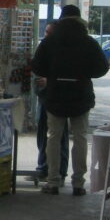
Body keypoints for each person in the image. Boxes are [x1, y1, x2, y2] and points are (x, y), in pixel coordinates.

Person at [30, 4, 109, 195]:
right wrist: (83, 74)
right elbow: (102, 68)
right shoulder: (88, 41)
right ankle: (79, 183)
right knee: (80, 137)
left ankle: (53, 181)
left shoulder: (50, 41)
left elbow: (37, 66)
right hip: (80, 94)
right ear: (79, 19)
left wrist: (53, 74)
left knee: (54, 137)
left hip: (55, 94)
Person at [28, 22, 69, 184]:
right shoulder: (45, 48)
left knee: (57, 136)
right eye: (45, 32)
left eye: (49, 33)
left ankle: (57, 172)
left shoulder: (62, 51)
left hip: (57, 99)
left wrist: (49, 81)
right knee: (44, 133)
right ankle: (44, 168)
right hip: (44, 97)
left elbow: (63, 75)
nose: (46, 35)